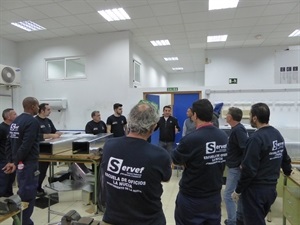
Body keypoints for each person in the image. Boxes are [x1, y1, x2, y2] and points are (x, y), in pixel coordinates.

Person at [101, 101, 172, 225]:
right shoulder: (160, 155)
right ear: (153, 127)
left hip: (112, 219)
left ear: (129, 122)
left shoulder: (109, 146)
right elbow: (165, 178)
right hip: (148, 221)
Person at [232, 103, 292, 225]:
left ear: (255, 118)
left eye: (250, 115)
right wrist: (288, 171)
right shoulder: (277, 134)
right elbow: (285, 158)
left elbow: (248, 170)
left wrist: (238, 190)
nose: (249, 118)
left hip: (255, 191)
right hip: (270, 190)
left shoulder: (255, 139)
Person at [171, 99, 228, 225]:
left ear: (195, 115)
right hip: (214, 197)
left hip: (192, 198)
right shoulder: (223, 136)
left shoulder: (191, 139)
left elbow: (175, 160)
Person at [3, 97, 40, 225]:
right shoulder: (32, 122)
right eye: (37, 106)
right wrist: (14, 161)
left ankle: (21, 220)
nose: (38, 108)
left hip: (19, 163)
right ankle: (24, 222)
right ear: (33, 106)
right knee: (28, 192)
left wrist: (11, 160)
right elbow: (26, 145)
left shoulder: (16, 121)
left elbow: (9, 143)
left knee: (22, 190)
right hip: (28, 163)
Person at [223, 107, 248, 225]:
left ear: (230, 117)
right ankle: (238, 218)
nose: (226, 115)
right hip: (234, 166)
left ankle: (232, 221)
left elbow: (245, 148)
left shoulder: (238, 130)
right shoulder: (236, 129)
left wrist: (242, 164)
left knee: (228, 195)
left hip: (236, 168)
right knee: (238, 194)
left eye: (227, 114)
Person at [35, 103, 62, 196]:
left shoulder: (48, 121)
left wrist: (58, 133)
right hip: (39, 151)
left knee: (43, 170)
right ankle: (36, 188)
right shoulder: (35, 121)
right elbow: (36, 136)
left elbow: (54, 131)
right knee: (39, 170)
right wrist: (50, 135)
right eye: (48, 110)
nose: (50, 111)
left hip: (49, 150)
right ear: (42, 110)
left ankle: (39, 187)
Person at [0, 108, 17, 197]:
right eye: (14, 114)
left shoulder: (13, 128)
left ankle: (9, 199)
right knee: (3, 183)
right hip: (3, 160)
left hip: (12, 159)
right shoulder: (1, 128)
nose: (16, 116)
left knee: (10, 182)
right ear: (8, 117)